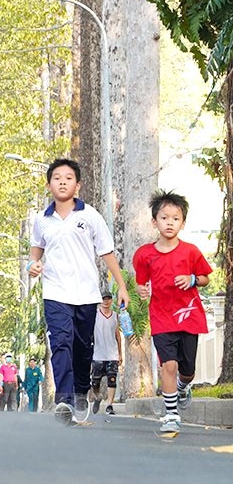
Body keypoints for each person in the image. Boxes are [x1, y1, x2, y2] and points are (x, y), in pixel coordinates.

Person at [28, 158, 130, 425]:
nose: (62, 181)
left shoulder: (90, 215)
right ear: (49, 184)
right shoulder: (42, 219)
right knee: (60, 342)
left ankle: (81, 391)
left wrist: (121, 286)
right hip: (55, 292)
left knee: (83, 348)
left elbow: (106, 252)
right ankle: (64, 398)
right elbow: (35, 252)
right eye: (57, 177)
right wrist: (33, 265)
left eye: (68, 177)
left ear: (78, 185)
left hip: (86, 294)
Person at [133, 190, 212, 433]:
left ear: (183, 223)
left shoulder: (191, 251)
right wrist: (142, 292)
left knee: (187, 371)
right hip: (162, 317)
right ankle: (171, 414)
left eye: (175, 218)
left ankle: (183, 386)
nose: (170, 222)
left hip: (189, 316)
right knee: (168, 365)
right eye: (164, 217)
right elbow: (140, 283)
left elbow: (206, 278)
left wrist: (192, 280)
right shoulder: (144, 254)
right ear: (154, 221)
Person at [91, 292, 122, 416]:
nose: (106, 301)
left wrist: (120, 354)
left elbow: (118, 336)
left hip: (112, 353)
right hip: (98, 353)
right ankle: (97, 397)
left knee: (112, 379)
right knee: (95, 381)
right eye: (104, 298)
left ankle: (110, 404)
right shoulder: (95, 315)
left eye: (109, 298)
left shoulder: (115, 316)